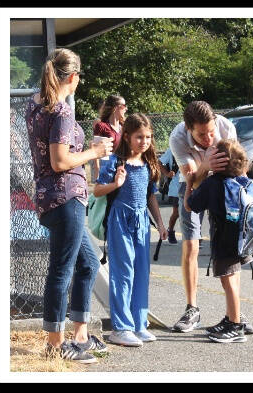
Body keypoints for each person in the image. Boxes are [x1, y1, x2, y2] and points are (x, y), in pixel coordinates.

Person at [25, 48, 113, 364]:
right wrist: (95, 153)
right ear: (73, 78)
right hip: (66, 198)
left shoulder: (35, 105)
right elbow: (60, 160)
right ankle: (56, 343)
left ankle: (79, 335)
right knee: (61, 271)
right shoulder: (60, 111)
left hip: (52, 198)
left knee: (88, 264)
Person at [168, 100, 249, 333]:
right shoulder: (178, 138)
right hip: (193, 185)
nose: (209, 138)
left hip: (224, 186)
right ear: (189, 129)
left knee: (232, 249)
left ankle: (234, 313)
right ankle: (192, 308)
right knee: (191, 246)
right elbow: (191, 177)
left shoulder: (226, 127)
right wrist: (206, 165)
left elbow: (239, 168)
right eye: (202, 134)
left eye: (211, 132)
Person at [93, 113, 167, 346]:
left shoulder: (149, 163)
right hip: (120, 221)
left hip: (141, 221)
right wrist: (116, 184)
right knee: (123, 274)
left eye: (148, 137)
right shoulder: (115, 161)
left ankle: (138, 323)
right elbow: (97, 191)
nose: (144, 142)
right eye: (139, 137)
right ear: (126, 137)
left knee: (141, 273)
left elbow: (150, 197)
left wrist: (161, 225)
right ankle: (121, 327)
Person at [185, 139, 253, 342]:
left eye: (212, 153)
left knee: (229, 281)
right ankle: (230, 318)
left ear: (218, 161)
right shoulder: (241, 179)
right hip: (244, 239)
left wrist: (190, 183)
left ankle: (235, 327)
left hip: (225, 242)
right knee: (232, 280)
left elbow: (190, 206)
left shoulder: (212, 183)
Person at [91, 95, 127, 177]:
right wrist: (97, 169)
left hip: (123, 168)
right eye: (124, 106)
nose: (126, 109)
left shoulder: (124, 126)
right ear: (115, 107)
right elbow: (95, 149)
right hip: (107, 168)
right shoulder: (101, 126)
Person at [158, 147, 181, 244]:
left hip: (192, 184)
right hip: (176, 186)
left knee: (194, 212)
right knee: (177, 212)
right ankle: (170, 231)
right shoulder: (172, 149)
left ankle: (196, 236)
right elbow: (159, 162)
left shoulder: (194, 147)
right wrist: (167, 174)